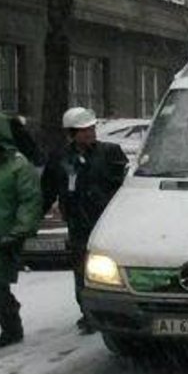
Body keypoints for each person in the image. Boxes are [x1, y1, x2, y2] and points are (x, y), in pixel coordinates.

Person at [40, 107, 128, 335]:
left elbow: (124, 187)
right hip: (78, 222)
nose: (90, 133)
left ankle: (112, 310)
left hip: (107, 223)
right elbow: (48, 190)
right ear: (71, 134)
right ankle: (88, 313)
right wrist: (34, 217)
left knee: (108, 269)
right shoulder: (60, 158)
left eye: (91, 128)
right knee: (81, 268)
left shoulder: (110, 153)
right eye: (83, 130)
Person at [0, 112, 42, 352]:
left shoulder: (18, 167)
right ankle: (12, 325)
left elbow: (29, 201)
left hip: (3, 238)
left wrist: (19, 231)